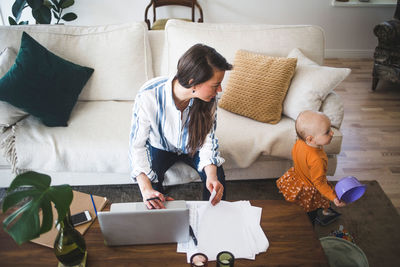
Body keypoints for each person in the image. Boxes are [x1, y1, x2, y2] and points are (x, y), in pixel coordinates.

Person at [129, 44, 232, 209]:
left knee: (216, 177)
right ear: (193, 83)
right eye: (215, 85)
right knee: (152, 192)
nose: (219, 89)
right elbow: (137, 146)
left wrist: (212, 177)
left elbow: (207, 141)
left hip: (194, 146)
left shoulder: (209, 100)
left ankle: (213, 219)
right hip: (160, 147)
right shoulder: (149, 95)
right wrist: (146, 189)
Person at [276, 110, 346, 225]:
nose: (332, 133)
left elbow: (296, 157)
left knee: (298, 207)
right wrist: (334, 197)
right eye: (327, 132)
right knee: (310, 215)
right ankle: (308, 229)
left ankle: (298, 218)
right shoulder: (317, 159)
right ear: (310, 139)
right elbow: (319, 183)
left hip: (297, 179)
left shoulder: (299, 142)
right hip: (309, 190)